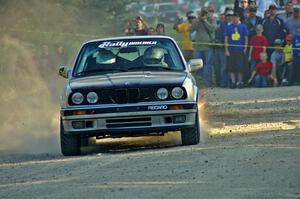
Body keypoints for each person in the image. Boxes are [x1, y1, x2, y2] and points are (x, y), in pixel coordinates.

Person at [189, 9, 217, 87]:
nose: (204, 15)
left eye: (205, 14)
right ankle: (199, 83)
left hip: (208, 47)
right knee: (198, 66)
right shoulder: (198, 21)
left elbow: (212, 29)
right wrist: (198, 20)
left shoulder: (211, 20)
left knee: (207, 66)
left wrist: (205, 21)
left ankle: (207, 83)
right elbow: (191, 29)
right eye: (202, 14)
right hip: (198, 47)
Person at [225, 12, 249, 88]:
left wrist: (245, 47)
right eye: (233, 17)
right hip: (231, 50)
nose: (235, 19)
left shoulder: (243, 26)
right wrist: (226, 50)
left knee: (240, 67)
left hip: (240, 50)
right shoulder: (228, 27)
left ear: (239, 18)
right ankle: (233, 82)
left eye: (236, 17)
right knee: (231, 67)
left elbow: (246, 37)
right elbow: (226, 38)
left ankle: (240, 82)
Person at [213, 10, 233, 87]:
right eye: (227, 16)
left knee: (224, 67)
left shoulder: (234, 25)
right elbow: (217, 35)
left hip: (229, 49)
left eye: (230, 16)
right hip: (219, 48)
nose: (229, 17)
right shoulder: (221, 25)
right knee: (218, 67)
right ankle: (219, 82)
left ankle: (225, 83)